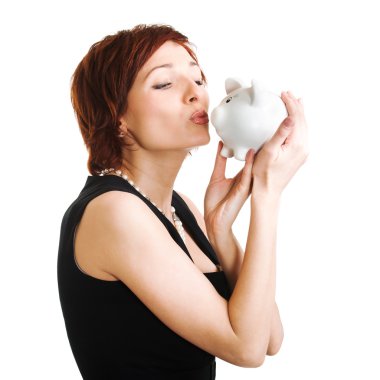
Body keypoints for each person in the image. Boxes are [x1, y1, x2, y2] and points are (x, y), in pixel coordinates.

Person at [57, 23, 309, 380]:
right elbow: (247, 349)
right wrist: (266, 195)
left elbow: (270, 336)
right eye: (164, 83)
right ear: (117, 118)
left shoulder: (183, 208)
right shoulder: (114, 211)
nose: (196, 94)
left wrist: (221, 233)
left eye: (199, 79)